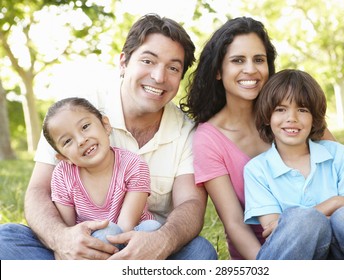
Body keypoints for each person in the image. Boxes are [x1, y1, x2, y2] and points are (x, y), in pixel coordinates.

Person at [0, 13, 217, 260]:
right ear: (123, 62)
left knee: (200, 252)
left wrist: (163, 241)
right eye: (148, 61)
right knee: (5, 239)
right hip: (79, 245)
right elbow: (38, 191)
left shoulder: (187, 131)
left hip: (146, 253)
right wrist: (62, 240)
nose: (159, 76)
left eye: (173, 68)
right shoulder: (74, 113)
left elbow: (190, 203)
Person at [180, 16, 344, 260]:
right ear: (218, 70)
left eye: (259, 60)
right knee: (304, 222)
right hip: (269, 252)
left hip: (333, 245)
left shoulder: (296, 116)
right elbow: (234, 224)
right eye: (238, 60)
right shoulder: (208, 138)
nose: (250, 69)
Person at [244, 69, 344, 259]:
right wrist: (334, 205)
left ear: (314, 118)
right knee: (305, 221)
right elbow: (274, 230)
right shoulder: (257, 170)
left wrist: (332, 207)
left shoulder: (337, 153)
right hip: (292, 260)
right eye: (281, 109)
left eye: (302, 110)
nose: (292, 118)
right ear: (267, 117)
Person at [42, 97, 161, 250]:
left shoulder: (133, 165)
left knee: (153, 227)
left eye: (85, 126)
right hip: (90, 244)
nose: (81, 140)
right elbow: (69, 232)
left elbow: (125, 228)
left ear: (106, 125)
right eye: (67, 141)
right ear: (64, 157)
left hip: (133, 239)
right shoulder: (63, 175)